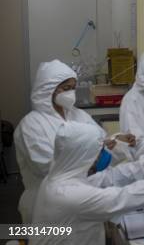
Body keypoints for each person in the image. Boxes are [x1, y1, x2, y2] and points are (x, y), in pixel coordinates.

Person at [31, 121, 144, 245]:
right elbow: (127, 197)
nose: (104, 155)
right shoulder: (68, 195)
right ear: (82, 156)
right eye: (99, 151)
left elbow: (114, 176)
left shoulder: (61, 177)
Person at [14, 60, 134, 224]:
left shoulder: (79, 115)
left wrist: (117, 142)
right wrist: (95, 158)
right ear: (48, 89)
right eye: (66, 88)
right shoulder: (31, 125)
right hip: (46, 205)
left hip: (84, 198)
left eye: (73, 88)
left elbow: (99, 145)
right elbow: (48, 168)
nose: (71, 93)